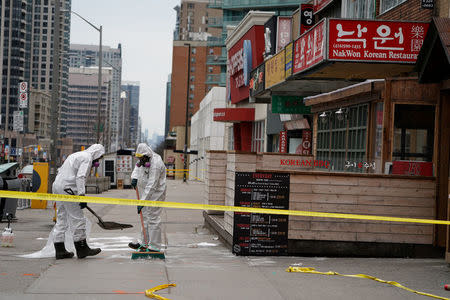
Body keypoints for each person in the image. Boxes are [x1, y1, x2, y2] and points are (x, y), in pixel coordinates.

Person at [52, 144, 105, 259]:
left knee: (61, 217)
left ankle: (59, 250)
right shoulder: (87, 158)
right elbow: (80, 177)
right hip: (68, 188)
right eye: (99, 157)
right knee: (78, 218)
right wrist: (82, 196)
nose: (98, 161)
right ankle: (82, 249)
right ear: (96, 154)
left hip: (57, 186)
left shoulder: (76, 155)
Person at [129, 143, 166, 251]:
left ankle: (154, 246)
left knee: (153, 218)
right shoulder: (143, 159)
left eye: (141, 158)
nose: (140, 161)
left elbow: (152, 184)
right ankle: (144, 243)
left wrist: (142, 201)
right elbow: (137, 168)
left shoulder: (156, 163)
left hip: (156, 193)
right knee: (144, 216)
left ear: (147, 156)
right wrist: (134, 177)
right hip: (144, 191)